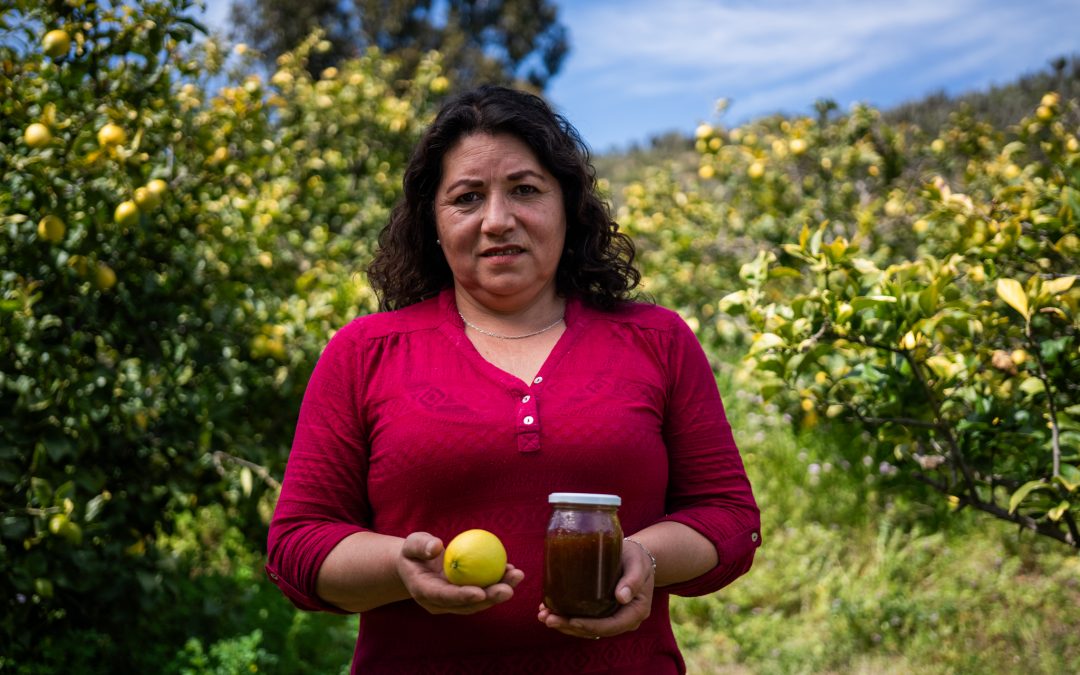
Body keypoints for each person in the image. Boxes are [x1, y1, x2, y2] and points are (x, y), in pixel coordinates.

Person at [266, 84, 761, 674]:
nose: (497, 221)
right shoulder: (365, 354)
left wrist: (642, 560)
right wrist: (400, 566)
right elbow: (297, 546)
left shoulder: (655, 341)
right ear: (433, 219)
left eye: (525, 190)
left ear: (567, 205)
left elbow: (728, 517)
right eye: (467, 197)